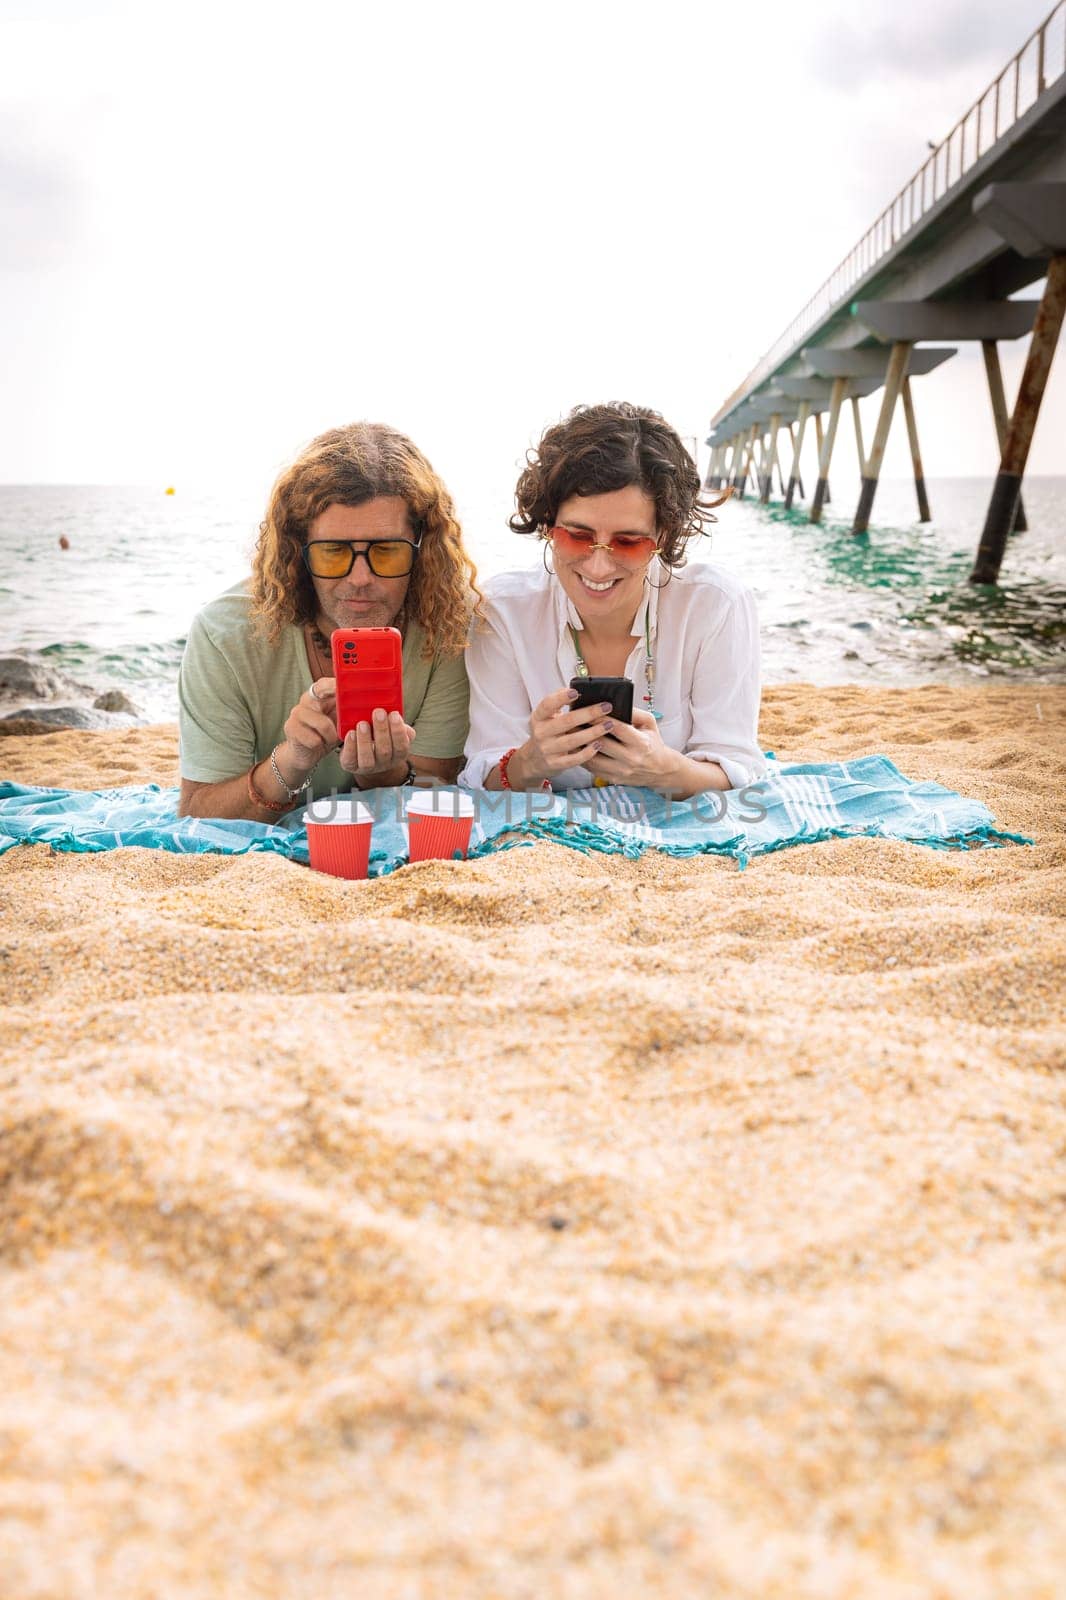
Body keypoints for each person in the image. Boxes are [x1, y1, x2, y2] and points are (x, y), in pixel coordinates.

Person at [462, 402, 764, 797]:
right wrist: (532, 761)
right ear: (549, 524)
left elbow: (736, 765)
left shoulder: (715, 605)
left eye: (628, 542)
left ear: (664, 537)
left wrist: (665, 769)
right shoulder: (503, 612)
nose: (600, 567)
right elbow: (483, 773)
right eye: (578, 536)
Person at [178, 422, 477, 819]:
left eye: (387, 551)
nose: (360, 578)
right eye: (333, 552)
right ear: (298, 549)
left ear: (421, 551)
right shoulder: (224, 633)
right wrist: (291, 761)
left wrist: (383, 772)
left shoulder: (448, 623)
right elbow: (198, 810)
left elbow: (438, 788)